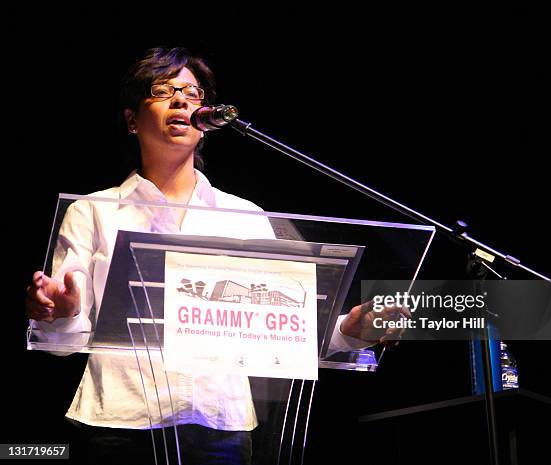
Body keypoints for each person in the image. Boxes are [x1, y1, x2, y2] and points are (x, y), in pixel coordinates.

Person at [25, 46, 406, 465]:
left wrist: (348, 330)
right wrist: (60, 313)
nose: (180, 100)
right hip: (118, 422)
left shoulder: (244, 216)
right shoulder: (94, 211)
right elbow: (64, 341)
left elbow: (284, 326)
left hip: (219, 425)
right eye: (161, 90)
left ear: (207, 120)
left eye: (192, 92)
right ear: (132, 119)